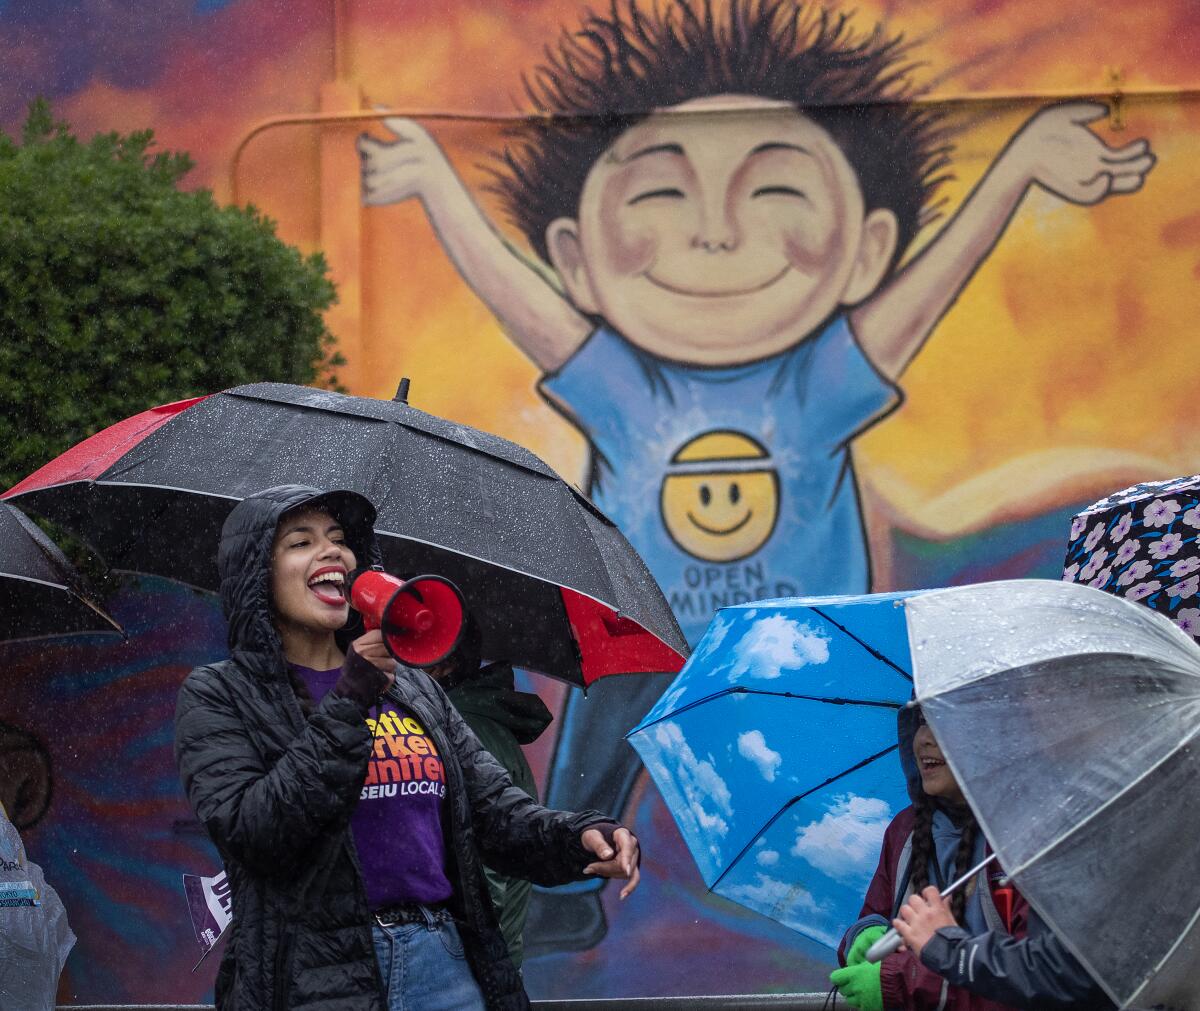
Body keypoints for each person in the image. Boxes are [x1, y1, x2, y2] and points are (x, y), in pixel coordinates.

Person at [359, 0, 1155, 954]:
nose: (718, 233)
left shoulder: (822, 380)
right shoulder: (621, 382)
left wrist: (1018, 161)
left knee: (865, 765)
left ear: (867, 245)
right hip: (644, 636)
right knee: (597, 738)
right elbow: (515, 296)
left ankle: (878, 903)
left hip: (791, 647)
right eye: (660, 195)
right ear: (574, 255)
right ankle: (569, 888)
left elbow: (929, 287)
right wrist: (437, 185)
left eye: (777, 192)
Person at [173, 485, 640, 1011]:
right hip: (311, 982)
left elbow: (494, 814)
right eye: (301, 543)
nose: (332, 553)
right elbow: (257, 832)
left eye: (340, 540)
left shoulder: (412, 687)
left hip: (442, 964)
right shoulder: (220, 694)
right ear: (257, 575)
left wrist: (581, 836)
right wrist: (349, 701)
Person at [832, 705, 1114, 1011]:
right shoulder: (905, 830)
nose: (924, 738)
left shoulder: (1035, 837)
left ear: (995, 736)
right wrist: (865, 935)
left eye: (944, 720)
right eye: (922, 721)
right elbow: (877, 911)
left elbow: (1044, 982)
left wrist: (907, 985)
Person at [427, 613, 552, 969]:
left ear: (443, 665)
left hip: (466, 976)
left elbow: (482, 886)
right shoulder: (465, 724)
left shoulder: (465, 732)